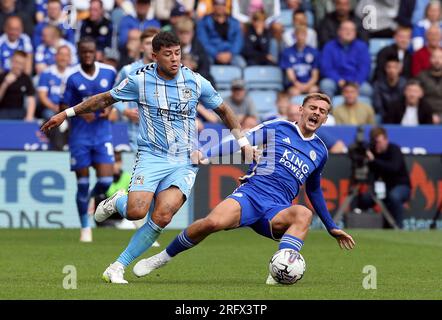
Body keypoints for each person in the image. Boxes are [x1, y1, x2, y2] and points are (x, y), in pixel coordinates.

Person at [41, 31, 253, 284]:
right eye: (168, 54)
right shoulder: (139, 81)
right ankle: (118, 202)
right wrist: (67, 114)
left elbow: (223, 109)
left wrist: (242, 141)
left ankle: (117, 266)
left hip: (184, 160)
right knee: (135, 212)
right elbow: (105, 99)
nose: (175, 59)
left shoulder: (196, 82)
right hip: (151, 156)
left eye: (178, 53)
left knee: (162, 216)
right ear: (154, 56)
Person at [131, 93, 355, 283]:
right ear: (301, 110)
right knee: (211, 223)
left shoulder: (321, 151)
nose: (316, 112)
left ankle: (279, 269)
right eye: (312, 107)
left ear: (326, 118)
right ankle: (163, 257)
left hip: (276, 211)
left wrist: (331, 226)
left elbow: (314, 190)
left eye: (322, 111)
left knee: (303, 213)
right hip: (250, 195)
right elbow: (242, 139)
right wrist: (207, 155)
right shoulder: (279, 127)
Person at [58, 37, 117, 242]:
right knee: (82, 183)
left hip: (102, 134)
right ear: (79, 53)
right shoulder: (71, 76)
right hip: (80, 136)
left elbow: (116, 96)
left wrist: (108, 109)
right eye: (84, 52)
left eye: (91, 52)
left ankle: (91, 199)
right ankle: (85, 227)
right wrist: (82, 113)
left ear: (96, 52)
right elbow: (62, 107)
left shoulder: (109, 72)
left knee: (105, 180)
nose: (88, 55)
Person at [114, 27, 159, 152]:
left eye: (155, 43)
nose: (152, 47)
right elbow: (113, 96)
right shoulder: (128, 71)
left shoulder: (169, 71)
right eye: (148, 43)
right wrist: (125, 111)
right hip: (136, 134)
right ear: (141, 47)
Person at [357, 127, 411, 229]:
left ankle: (399, 227)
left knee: (394, 196)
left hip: (401, 186)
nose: (377, 145)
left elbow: (393, 168)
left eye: (379, 142)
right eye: (375, 142)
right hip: (381, 188)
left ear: (386, 140)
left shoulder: (394, 149)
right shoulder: (372, 152)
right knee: (365, 199)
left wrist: (374, 161)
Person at [319, 20, 372, 99]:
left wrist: (357, 82)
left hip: (355, 81)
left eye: (352, 30)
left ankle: (360, 111)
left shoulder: (362, 46)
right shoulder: (329, 46)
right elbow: (326, 68)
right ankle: (330, 111)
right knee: (325, 85)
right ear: (339, 31)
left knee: (367, 90)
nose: (349, 32)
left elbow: (365, 67)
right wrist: (338, 80)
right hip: (336, 81)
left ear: (355, 33)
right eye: (345, 29)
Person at [196, 0, 246, 68]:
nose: (220, 7)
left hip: (230, 54)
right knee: (205, 63)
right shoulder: (204, 22)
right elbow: (203, 42)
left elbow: (238, 41)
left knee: (241, 64)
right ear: (213, 6)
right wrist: (216, 54)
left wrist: (230, 54)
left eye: (223, 4)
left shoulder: (234, 22)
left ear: (225, 6)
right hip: (211, 54)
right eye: (217, 4)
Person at [280, 25, 319, 96]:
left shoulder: (313, 52)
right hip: (294, 85)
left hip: (309, 84)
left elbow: (315, 75)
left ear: (306, 35)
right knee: (294, 92)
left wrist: (307, 85)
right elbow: (290, 75)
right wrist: (299, 85)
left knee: (314, 90)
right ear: (294, 36)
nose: (300, 37)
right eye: (298, 34)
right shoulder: (287, 52)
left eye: (303, 34)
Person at [0, 50, 36, 120]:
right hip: (3, 111)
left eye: (21, 64)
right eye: (16, 62)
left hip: (20, 112)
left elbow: (31, 99)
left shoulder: (26, 78)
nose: (18, 66)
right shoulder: (2, 76)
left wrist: (29, 116)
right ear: (11, 61)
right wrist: (5, 84)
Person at [372, 57, 407, 122]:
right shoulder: (378, 84)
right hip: (384, 115)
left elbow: (404, 103)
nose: (392, 70)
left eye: (395, 67)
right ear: (385, 69)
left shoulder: (405, 84)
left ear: (400, 69)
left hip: (400, 114)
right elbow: (378, 104)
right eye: (389, 67)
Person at [417, 48, 442, 123]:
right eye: (434, 57)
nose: (437, 61)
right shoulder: (421, 76)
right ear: (430, 59)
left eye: (440, 57)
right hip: (426, 113)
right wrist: (429, 115)